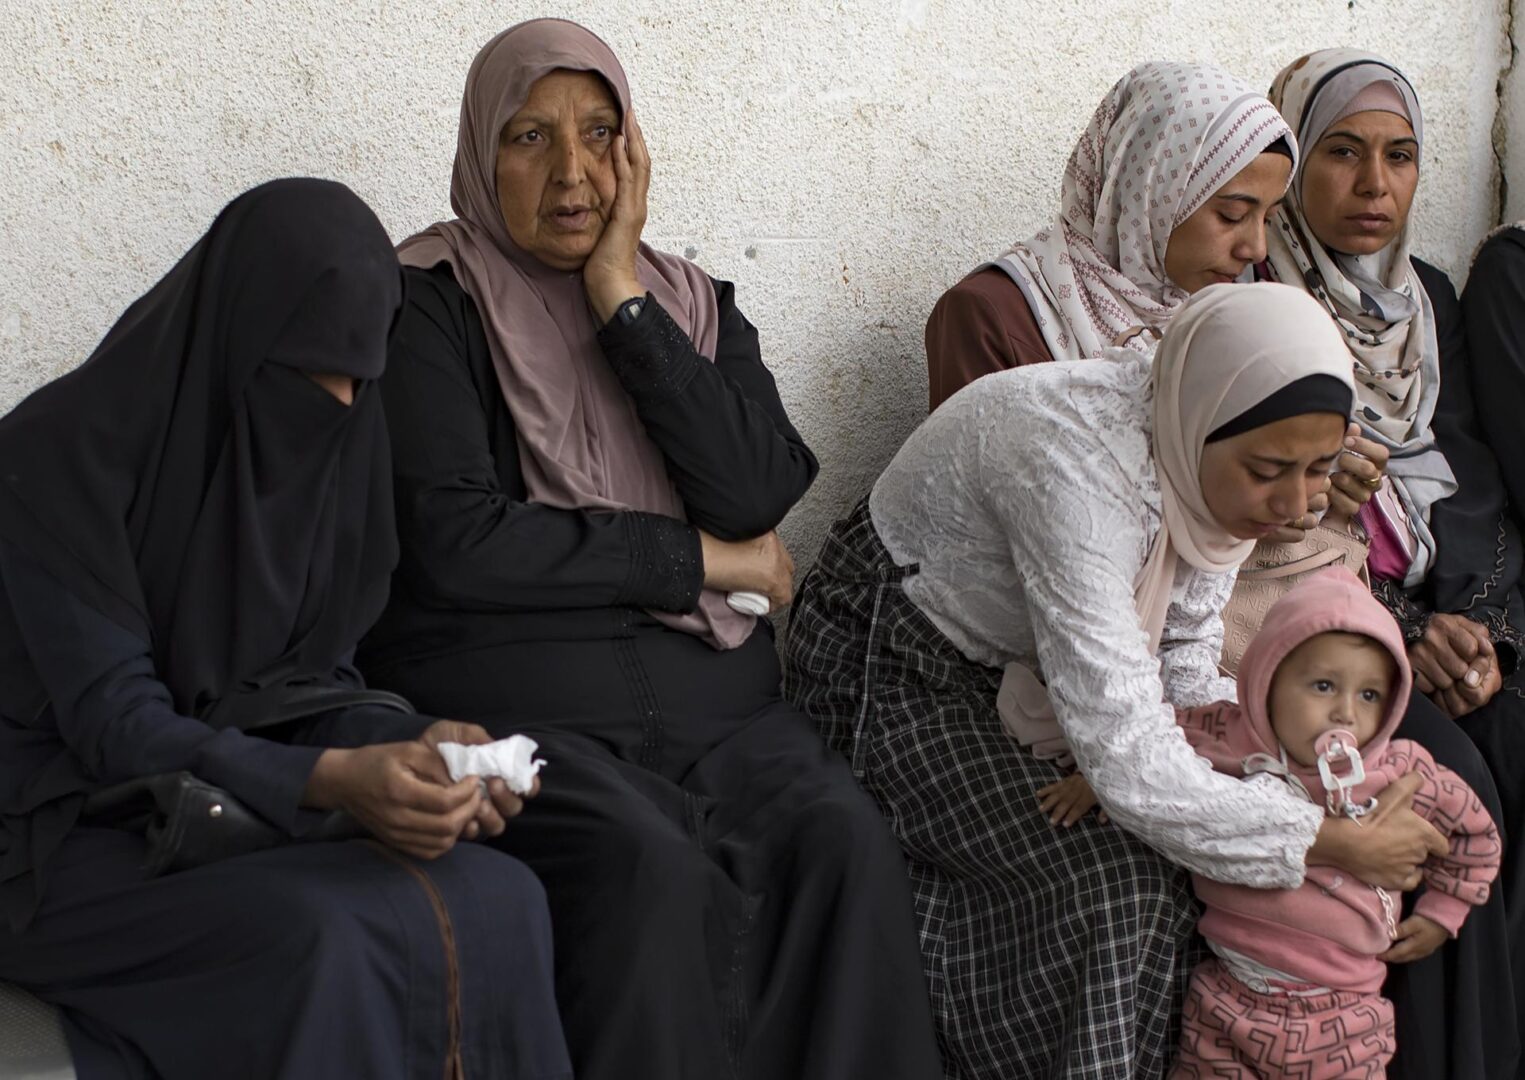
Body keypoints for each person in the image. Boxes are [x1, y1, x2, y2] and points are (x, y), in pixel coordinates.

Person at [356, 19, 942, 1080]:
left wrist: (621, 299)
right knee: (646, 867)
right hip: (529, 713)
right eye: (529, 139)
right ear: (481, 153)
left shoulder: (687, 305)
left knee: (840, 842)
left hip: (721, 711)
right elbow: (463, 543)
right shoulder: (427, 305)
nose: (572, 173)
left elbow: (758, 487)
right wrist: (702, 563)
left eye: (598, 134)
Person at [785, 282, 1449, 1078]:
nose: (1299, 504)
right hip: (896, 661)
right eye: (1272, 470)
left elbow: (1184, 645)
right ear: (1199, 425)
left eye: (1319, 467)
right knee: (1115, 892)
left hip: (1038, 672)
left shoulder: (1206, 434)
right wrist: (1329, 840)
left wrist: (1266, 771)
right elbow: (1130, 760)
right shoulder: (1076, 476)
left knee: (1179, 871)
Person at [0, 180, 570, 1080]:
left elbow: (304, 686)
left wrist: (416, 749)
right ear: (234, 336)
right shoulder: (54, 457)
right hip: (56, 833)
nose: (338, 403)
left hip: (229, 803)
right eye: (308, 373)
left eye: (359, 377)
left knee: (501, 899)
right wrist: (332, 780)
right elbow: (115, 724)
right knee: (328, 938)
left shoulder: (334, 456)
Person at [1257, 49, 1524, 1077]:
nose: (1375, 188)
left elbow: (1471, 479)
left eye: (1400, 156)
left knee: (1512, 726)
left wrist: (1480, 633)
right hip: (1315, 626)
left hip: (1435, 610)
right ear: (1287, 164)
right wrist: (1409, 640)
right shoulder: (1255, 303)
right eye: (1341, 154)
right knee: (1446, 793)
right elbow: (1272, 531)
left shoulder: (1431, 300)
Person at [1171, 569, 1497, 1077]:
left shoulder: (1399, 768)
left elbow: (1476, 833)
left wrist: (1442, 914)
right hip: (1229, 1001)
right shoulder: (1228, 733)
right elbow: (1152, 742)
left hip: (1345, 1019)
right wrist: (1093, 780)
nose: (1346, 712)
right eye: (1324, 685)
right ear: (1268, 676)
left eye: (1369, 696)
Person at [924, 60, 1296, 410]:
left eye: (1268, 219)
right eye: (1232, 215)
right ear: (1147, 194)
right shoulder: (992, 316)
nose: (1257, 250)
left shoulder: (1223, 322)